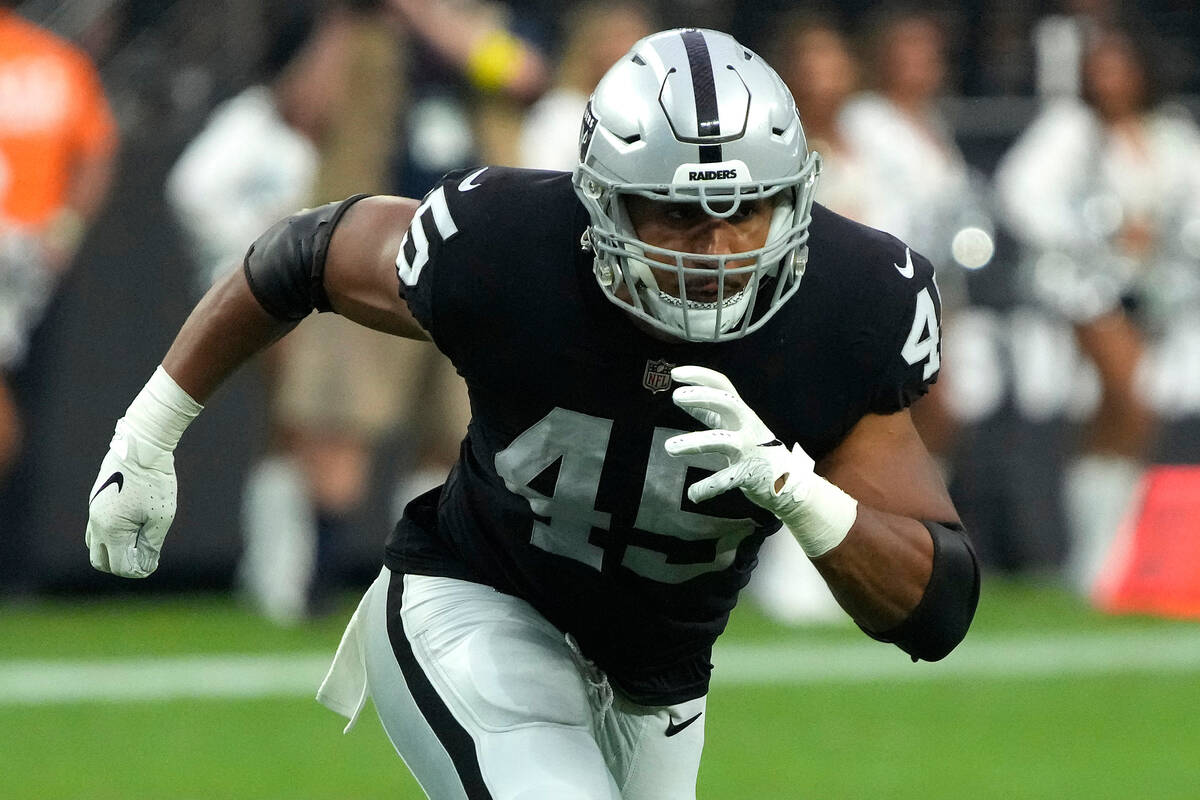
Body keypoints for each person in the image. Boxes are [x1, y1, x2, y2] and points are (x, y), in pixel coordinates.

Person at [84, 29, 979, 798]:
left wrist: (802, 495)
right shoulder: (509, 247)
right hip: (475, 599)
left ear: (797, 199)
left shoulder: (855, 304)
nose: (713, 248)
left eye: (745, 211)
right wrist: (148, 432)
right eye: (672, 215)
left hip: (659, 682)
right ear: (600, 199)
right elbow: (304, 252)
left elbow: (937, 608)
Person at [994, 26, 1200, 594]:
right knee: (1131, 398)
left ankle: (1108, 554)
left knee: (1132, 415)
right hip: (1078, 287)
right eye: (1099, 67)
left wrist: (1160, 242)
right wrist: (1099, 237)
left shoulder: (1171, 134)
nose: (1109, 78)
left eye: (1120, 66)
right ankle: (1095, 556)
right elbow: (1020, 194)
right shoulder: (1069, 129)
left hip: (1156, 294)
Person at [0, 0, 117, 479]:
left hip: (24, 258)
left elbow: (97, 149)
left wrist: (64, 231)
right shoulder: (56, 59)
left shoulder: (54, 61)